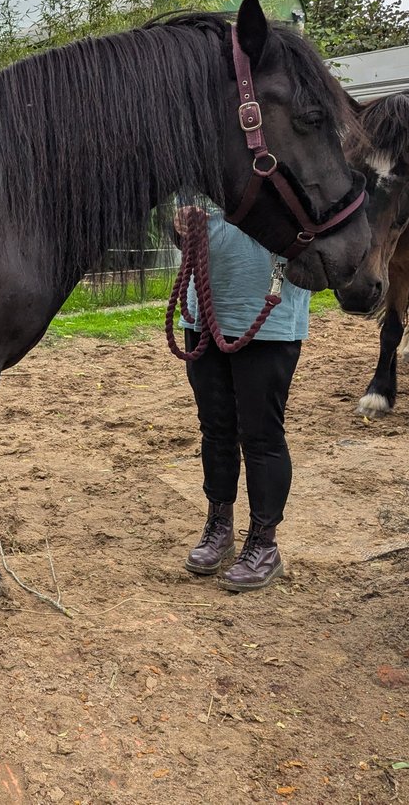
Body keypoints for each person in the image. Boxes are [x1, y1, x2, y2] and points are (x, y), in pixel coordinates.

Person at [174, 200, 311, 591]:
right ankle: (220, 524)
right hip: (204, 311)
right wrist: (179, 227)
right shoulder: (206, 168)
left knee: (261, 433)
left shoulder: (290, 161)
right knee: (215, 428)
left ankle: (265, 544)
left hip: (267, 317)